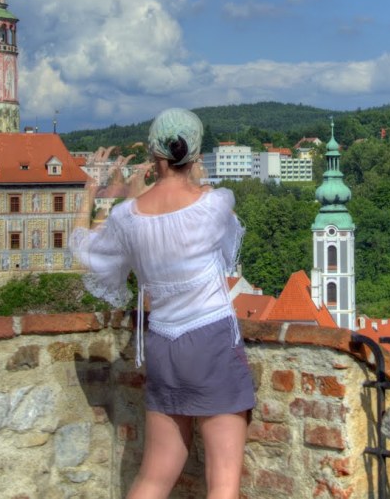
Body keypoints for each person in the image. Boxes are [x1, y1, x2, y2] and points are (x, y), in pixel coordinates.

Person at [71, 108, 254, 499]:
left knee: (153, 478)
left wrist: (89, 194)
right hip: (211, 339)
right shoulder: (214, 204)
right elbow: (228, 254)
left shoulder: (128, 218)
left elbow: (87, 255)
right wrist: (194, 179)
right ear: (195, 154)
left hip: (162, 345)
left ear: (154, 154)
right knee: (223, 484)